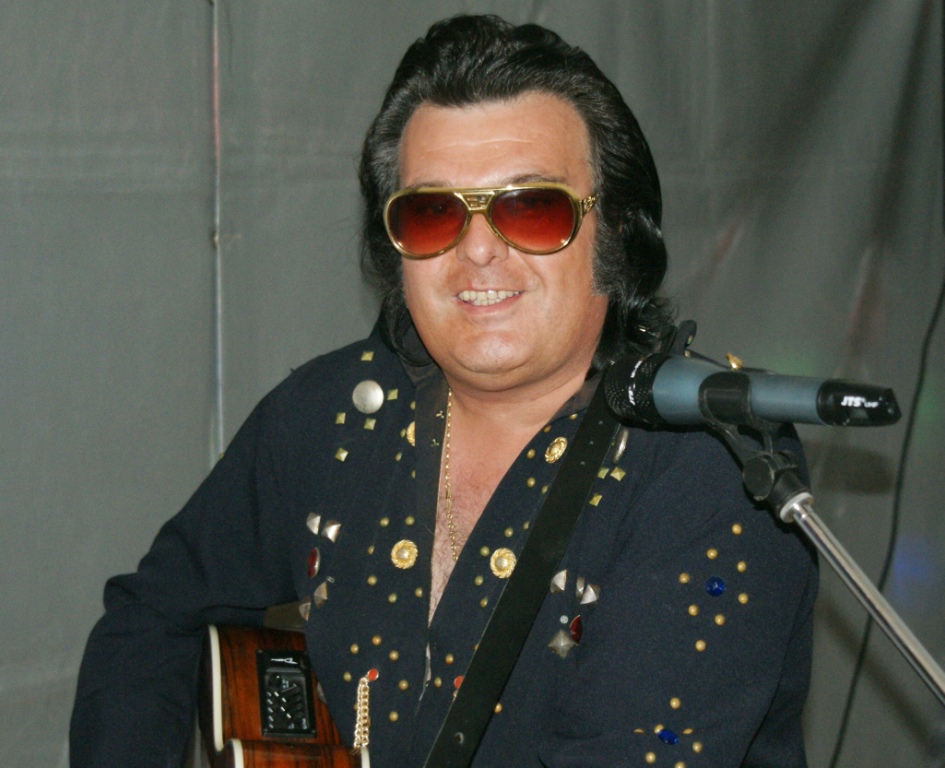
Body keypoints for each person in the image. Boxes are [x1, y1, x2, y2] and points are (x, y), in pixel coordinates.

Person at [70, 14, 817, 768]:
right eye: (433, 214)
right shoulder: (331, 414)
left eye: (531, 206)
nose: (478, 248)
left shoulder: (711, 459)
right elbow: (149, 619)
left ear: (615, 231)